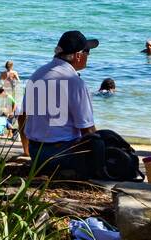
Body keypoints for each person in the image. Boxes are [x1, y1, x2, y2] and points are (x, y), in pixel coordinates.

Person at [19, 31, 108, 178]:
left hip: (37, 153)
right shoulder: (74, 81)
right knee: (101, 141)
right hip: (62, 154)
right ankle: (71, 172)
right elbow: (88, 130)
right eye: (87, 52)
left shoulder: (37, 74)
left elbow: (22, 116)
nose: (88, 56)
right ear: (78, 55)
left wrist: (27, 150)